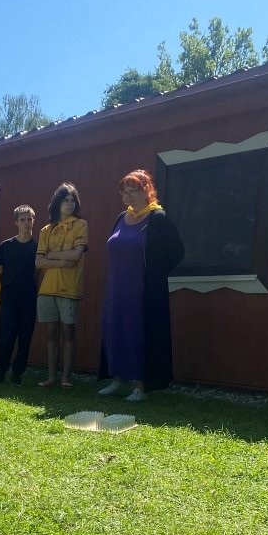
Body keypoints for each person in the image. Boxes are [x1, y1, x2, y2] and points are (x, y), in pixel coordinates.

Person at [98, 169, 184, 401]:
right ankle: (117, 379)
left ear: (147, 191)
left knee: (138, 333)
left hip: (142, 290)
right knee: (116, 330)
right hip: (116, 288)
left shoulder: (158, 218)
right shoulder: (121, 217)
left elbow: (177, 252)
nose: (128, 196)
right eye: (125, 192)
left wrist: (155, 275)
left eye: (133, 191)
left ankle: (140, 386)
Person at [35, 182, 88, 388]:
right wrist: (63, 261)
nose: (70, 203)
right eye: (66, 200)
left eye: (73, 200)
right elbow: (38, 262)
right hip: (47, 289)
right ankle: (51, 377)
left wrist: (52, 255)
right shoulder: (46, 230)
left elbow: (76, 255)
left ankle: (66, 378)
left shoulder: (81, 225)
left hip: (69, 288)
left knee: (68, 334)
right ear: (57, 203)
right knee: (50, 334)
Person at [0, 205, 38, 385]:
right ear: (16, 222)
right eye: (22, 220)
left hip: (29, 298)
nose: (26, 223)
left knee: (25, 338)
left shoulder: (38, 247)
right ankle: (0, 373)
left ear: (33, 221)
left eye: (29, 219)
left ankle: (17, 374)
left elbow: (39, 273)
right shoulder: (6, 246)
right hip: (9, 298)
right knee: (6, 338)